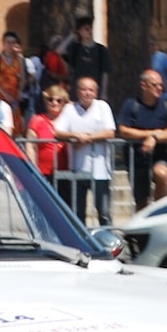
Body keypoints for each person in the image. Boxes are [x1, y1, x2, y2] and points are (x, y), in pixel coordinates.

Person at [54, 76, 117, 223]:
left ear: (96, 93)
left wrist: (86, 138)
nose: (87, 93)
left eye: (91, 90)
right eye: (83, 89)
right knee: (78, 214)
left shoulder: (102, 107)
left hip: (100, 172)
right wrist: (75, 135)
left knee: (104, 213)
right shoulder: (69, 109)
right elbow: (57, 132)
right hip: (77, 170)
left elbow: (110, 132)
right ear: (77, 91)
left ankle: (108, 244)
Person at [116, 68, 167, 208]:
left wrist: (155, 137)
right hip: (137, 158)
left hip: (160, 156)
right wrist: (149, 135)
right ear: (143, 85)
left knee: (162, 174)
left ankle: (158, 210)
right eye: (155, 85)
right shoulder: (131, 105)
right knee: (141, 202)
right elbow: (123, 130)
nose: (159, 88)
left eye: (161, 85)